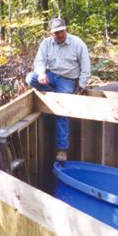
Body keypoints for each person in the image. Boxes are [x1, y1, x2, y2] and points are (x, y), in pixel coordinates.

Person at [25, 17, 91, 161]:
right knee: (30, 78)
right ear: (51, 34)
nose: (59, 35)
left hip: (68, 80)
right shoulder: (46, 43)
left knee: (61, 110)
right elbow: (39, 61)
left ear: (65, 29)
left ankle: (62, 149)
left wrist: (81, 85)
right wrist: (41, 73)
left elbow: (86, 68)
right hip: (51, 76)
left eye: (61, 31)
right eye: (56, 33)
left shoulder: (78, 43)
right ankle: (54, 94)